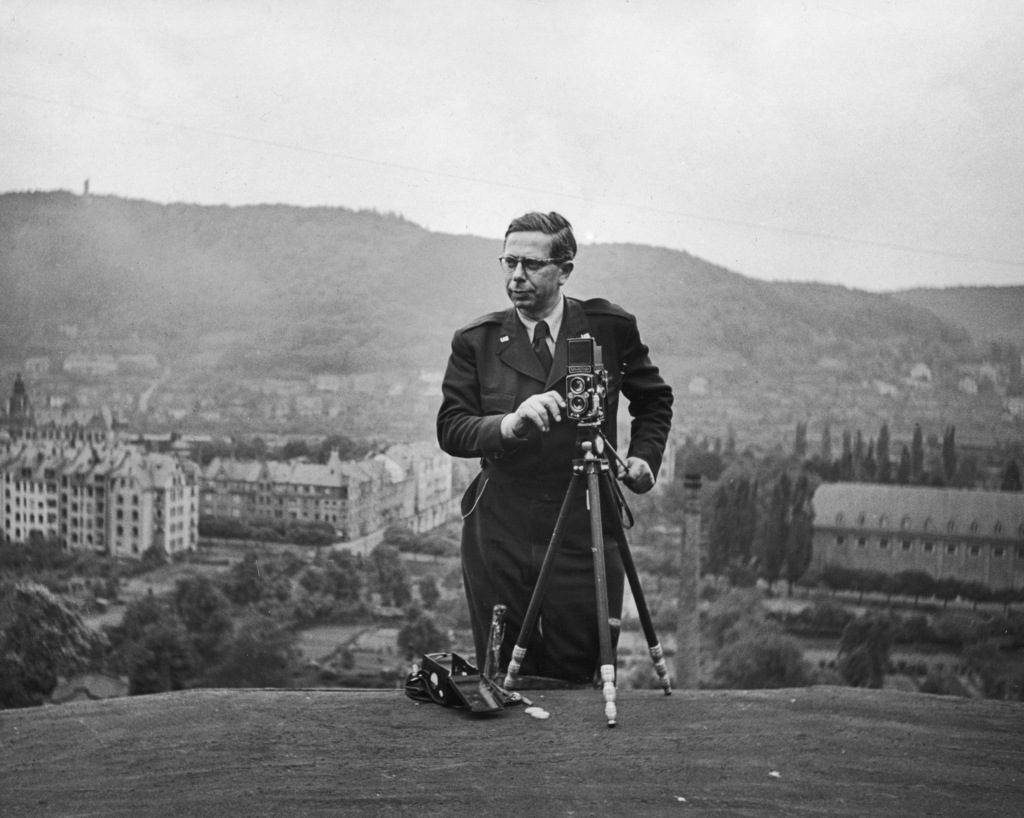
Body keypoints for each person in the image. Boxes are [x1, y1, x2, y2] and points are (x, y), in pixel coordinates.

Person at [437, 211, 673, 685]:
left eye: (531, 265)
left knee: (577, 668)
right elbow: (452, 427)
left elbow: (653, 400)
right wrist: (509, 422)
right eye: (508, 263)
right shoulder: (476, 341)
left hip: (583, 522)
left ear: (564, 269)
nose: (516, 277)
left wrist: (645, 457)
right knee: (503, 672)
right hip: (502, 525)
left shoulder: (609, 327)